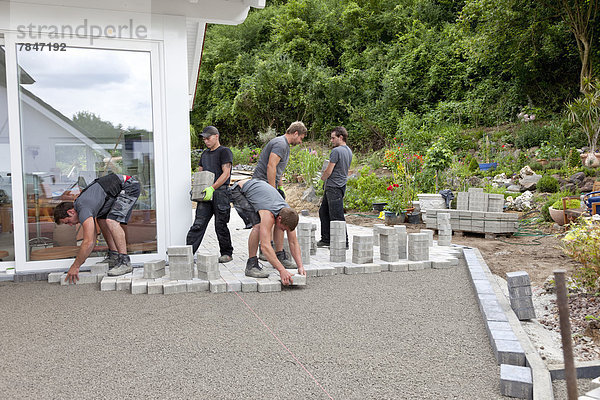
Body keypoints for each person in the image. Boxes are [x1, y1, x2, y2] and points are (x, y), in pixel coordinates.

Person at [53, 173, 141, 283]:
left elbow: (89, 242)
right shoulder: (83, 205)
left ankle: (124, 261)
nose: (71, 225)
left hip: (128, 186)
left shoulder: (83, 208)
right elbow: (92, 239)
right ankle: (114, 255)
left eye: (68, 222)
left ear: (70, 212)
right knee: (101, 219)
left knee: (112, 221)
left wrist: (75, 266)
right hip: (114, 192)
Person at [231, 178, 306, 285]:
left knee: (280, 227)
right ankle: (251, 264)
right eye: (285, 228)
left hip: (260, 191)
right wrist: (282, 271)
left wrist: (300, 266)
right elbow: (265, 247)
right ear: (279, 218)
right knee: (257, 225)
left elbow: (293, 242)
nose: (285, 231)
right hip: (239, 190)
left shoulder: (288, 213)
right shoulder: (268, 214)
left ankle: (279, 256)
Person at [253, 121, 307, 266]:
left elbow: (278, 169)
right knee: (276, 216)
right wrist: (272, 189)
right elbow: (271, 166)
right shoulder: (280, 144)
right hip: (263, 185)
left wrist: (280, 187)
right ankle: (271, 252)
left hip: (270, 185)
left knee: (281, 217)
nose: (301, 141)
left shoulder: (284, 145)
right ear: (295, 133)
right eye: (301, 138)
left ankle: (275, 252)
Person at [185, 126, 234, 263]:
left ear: (216, 136)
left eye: (208, 138)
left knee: (221, 225)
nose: (206, 141)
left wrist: (212, 188)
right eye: (204, 139)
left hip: (220, 193)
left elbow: (226, 174)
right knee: (198, 225)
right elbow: (200, 173)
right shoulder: (204, 155)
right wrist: (196, 188)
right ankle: (187, 253)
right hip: (205, 195)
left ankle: (227, 253)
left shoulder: (224, 151)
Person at [317, 126, 353, 247]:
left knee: (336, 215)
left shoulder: (336, 151)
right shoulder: (348, 150)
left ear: (340, 137)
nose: (331, 140)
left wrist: (322, 178)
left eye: (333, 138)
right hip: (340, 185)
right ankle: (326, 239)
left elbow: (329, 170)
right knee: (323, 212)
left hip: (334, 187)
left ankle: (344, 242)